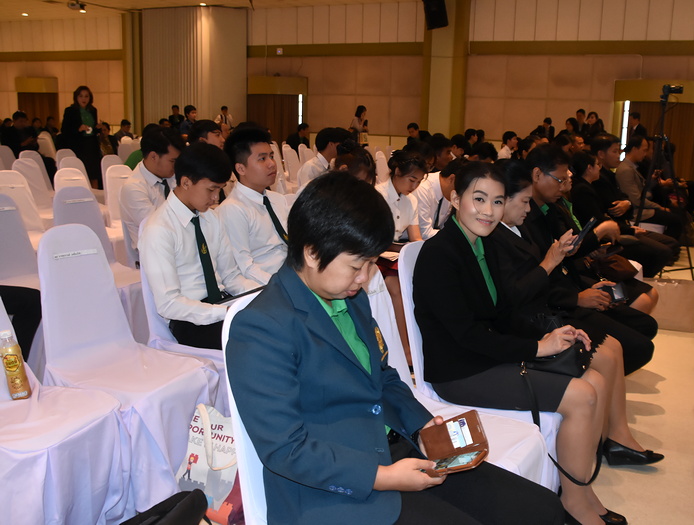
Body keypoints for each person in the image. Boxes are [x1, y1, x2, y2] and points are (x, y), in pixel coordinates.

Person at [226, 171, 565, 525]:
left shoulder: (348, 296)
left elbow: (383, 377)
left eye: (371, 264)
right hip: (333, 487)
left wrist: (423, 428)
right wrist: (384, 477)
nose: (365, 278)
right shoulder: (262, 328)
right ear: (312, 253)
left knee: (541, 509)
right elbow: (286, 449)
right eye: (357, 265)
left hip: (393, 446)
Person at [414, 161, 662, 525]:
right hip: (460, 371)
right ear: (455, 199)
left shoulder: (482, 245)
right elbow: (466, 335)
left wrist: (550, 336)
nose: (488, 211)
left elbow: (503, 312)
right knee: (583, 395)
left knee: (594, 379)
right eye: (479, 199)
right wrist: (537, 348)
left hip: (487, 354)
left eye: (497, 201)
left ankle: (582, 492)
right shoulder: (440, 254)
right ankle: (573, 504)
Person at [518, 148, 659, 375]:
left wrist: (584, 289)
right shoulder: (522, 220)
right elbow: (531, 284)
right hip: (554, 305)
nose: (563, 186)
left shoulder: (548, 209)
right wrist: (577, 297)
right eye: (560, 180)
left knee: (644, 327)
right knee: (637, 347)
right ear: (536, 175)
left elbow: (564, 262)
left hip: (567, 289)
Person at [139, 143, 259, 349]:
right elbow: (169, 303)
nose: (216, 198)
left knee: (282, 322)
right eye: (211, 189)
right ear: (186, 182)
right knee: (260, 340)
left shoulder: (211, 218)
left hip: (222, 304)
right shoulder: (159, 229)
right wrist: (225, 313)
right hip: (189, 320)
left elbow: (231, 277)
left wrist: (261, 295)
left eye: (220, 189)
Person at [587, 134, 680, 276]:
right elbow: (613, 208)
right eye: (615, 151)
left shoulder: (609, 175)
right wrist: (628, 213)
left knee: (670, 241)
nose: (619, 155)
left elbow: (624, 198)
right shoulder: (598, 180)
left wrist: (627, 203)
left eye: (619, 151)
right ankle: (640, 280)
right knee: (663, 250)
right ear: (601, 154)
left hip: (624, 223)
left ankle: (641, 278)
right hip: (617, 229)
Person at [216, 127, 289, 285]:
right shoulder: (233, 209)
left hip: (292, 274)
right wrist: (282, 286)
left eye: (271, 156)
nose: (272, 164)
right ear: (240, 168)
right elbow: (245, 267)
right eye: (262, 159)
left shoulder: (278, 199)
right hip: (265, 284)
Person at [375, 150, 429, 364]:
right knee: (396, 287)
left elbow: (415, 238)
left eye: (419, 182)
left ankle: (421, 343)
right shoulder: (377, 194)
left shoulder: (411, 201)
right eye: (411, 180)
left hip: (394, 254)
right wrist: (403, 249)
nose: (414, 186)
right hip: (375, 254)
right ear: (397, 171)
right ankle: (405, 349)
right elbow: (376, 239)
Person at [119, 127, 185, 258]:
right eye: (172, 161)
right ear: (153, 156)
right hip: (153, 255)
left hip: (178, 248)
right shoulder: (133, 187)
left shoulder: (172, 176)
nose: (176, 166)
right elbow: (158, 229)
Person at [615, 136, 683, 241]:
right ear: (634, 149)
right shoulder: (626, 170)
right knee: (676, 220)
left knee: (676, 213)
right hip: (637, 211)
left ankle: (670, 243)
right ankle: (669, 244)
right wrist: (659, 207)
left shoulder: (632, 167)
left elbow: (642, 189)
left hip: (643, 206)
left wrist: (652, 181)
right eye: (644, 150)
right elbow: (636, 199)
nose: (645, 154)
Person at [60, 85, 103, 188]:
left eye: (86, 96)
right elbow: (64, 130)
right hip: (78, 145)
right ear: (76, 97)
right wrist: (78, 129)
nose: (84, 99)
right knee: (81, 173)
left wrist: (97, 128)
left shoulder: (93, 110)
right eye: (81, 96)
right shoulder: (70, 111)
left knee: (94, 174)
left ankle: (95, 194)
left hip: (91, 144)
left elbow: (92, 129)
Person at [412, 158, 462, 239]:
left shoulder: (447, 191)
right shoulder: (423, 187)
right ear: (452, 179)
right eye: (462, 188)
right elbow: (424, 233)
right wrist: (455, 237)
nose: (461, 194)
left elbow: (443, 227)